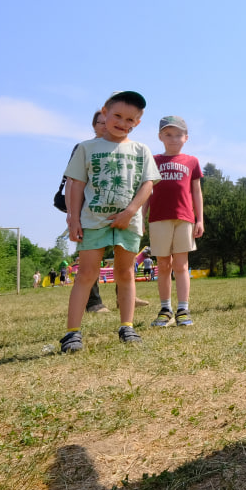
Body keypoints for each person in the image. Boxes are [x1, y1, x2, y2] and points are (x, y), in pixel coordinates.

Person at [58, 90, 161, 352]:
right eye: (117, 115)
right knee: (86, 275)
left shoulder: (141, 150)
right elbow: (76, 185)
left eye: (130, 119)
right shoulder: (86, 148)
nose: (122, 123)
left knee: (125, 274)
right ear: (104, 112)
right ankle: (72, 333)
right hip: (93, 221)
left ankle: (127, 327)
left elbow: (148, 184)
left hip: (129, 223)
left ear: (138, 122)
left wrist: (130, 212)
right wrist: (73, 218)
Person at [69, 111, 151, 313]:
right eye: (102, 122)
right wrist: (73, 216)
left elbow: (143, 184)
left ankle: (123, 299)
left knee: (124, 266)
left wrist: (134, 213)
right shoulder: (85, 148)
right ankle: (93, 302)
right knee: (89, 267)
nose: (107, 125)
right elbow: (73, 182)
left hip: (125, 217)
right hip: (91, 214)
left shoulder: (134, 149)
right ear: (95, 125)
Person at [145, 115, 204, 329]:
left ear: (186, 137)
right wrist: (141, 217)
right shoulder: (153, 160)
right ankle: (165, 309)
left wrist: (200, 219)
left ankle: (183, 309)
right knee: (163, 265)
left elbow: (196, 191)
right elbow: (146, 191)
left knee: (181, 265)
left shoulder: (192, 161)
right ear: (160, 136)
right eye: (168, 134)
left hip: (185, 218)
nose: (173, 139)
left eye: (178, 135)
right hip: (158, 218)